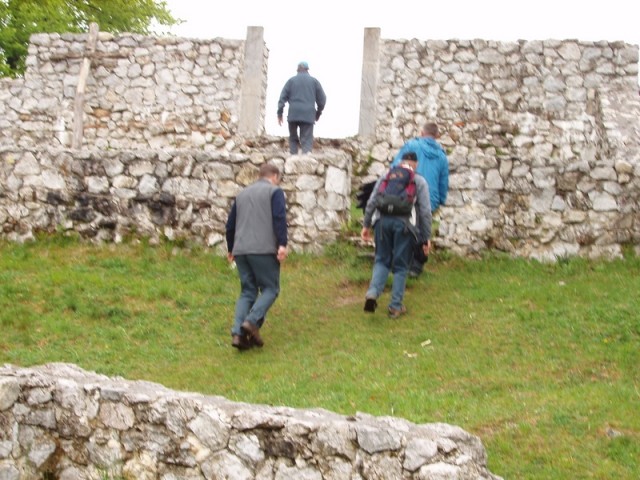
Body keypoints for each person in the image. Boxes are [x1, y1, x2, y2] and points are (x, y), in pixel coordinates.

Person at [225, 163, 288, 350]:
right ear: (275, 176)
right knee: (270, 288)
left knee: (247, 291)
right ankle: (251, 322)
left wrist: (231, 248)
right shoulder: (274, 192)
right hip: (263, 249)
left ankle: (239, 334)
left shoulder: (242, 194)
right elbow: (279, 218)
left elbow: (230, 224)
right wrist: (282, 244)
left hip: (241, 249)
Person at [361, 152, 432, 319]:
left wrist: (366, 225)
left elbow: (372, 201)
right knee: (400, 266)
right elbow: (425, 212)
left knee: (381, 260)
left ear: (400, 162)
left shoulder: (387, 176)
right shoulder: (418, 180)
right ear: (415, 164)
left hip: (381, 223)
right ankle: (395, 306)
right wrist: (425, 237)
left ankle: (373, 292)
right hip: (405, 226)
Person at [391, 122, 449, 276]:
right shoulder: (442, 156)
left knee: (406, 227)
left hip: (408, 194)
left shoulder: (411, 146)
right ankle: (416, 266)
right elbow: (443, 181)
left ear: (422, 133)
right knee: (422, 229)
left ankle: (403, 263)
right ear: (436, 136)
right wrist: (441, 199)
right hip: (430, 198)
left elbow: (395, 167)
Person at [277, 61, 326, 155]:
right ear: (307, 70)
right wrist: (318, 113)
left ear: (298, 69)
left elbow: (282, 99)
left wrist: (280, 114)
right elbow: (322, 100)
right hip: (308, 115)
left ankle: (293, 157)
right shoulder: (314, 82)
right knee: (307, 140)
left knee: (293, 138)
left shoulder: (291, 81)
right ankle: (306, 158)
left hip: (293, 114)